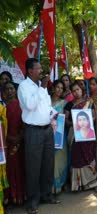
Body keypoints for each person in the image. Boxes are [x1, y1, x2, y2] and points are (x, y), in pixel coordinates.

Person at [17, 58, 60, 214]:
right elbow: (30, 105)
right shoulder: (24, 87)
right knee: (33, 167)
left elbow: (46, 107)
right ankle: (32, 201)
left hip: (47, 129)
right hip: (33, 131)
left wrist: (53, 115)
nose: (41, 71)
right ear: (30, 71)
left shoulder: (41, 88)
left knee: (48, 164)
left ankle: (46, 195)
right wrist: (40, 87)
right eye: (38, 68)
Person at [64, 82, 97, 193]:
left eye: (78, 90)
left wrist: (87, 122)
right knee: (77, 158)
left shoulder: (88, 103)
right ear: (71, 92)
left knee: (88, 156)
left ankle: (92, 183)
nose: (76, 92)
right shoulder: (69, 105)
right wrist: (74, 124)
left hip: (87, 134)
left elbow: (94, 116)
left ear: (82, 90)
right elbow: (66, 120)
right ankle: (78, 184)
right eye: (73, 91)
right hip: (75, 136)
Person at [4, 81, 24, 206]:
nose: (10, 91)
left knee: (19, 168)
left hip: (19, 142)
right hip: (6, 143)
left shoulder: (20, 105)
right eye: (7, 89)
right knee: (9, 170)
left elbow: (25, 123)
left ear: (15, 91)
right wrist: (7, 138)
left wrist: (18, 138)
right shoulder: (2, 107)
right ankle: (10, 196)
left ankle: (20, 195)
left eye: (12, 88)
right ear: (3, 92)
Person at [51, 80, 68, 194]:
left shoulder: (64, 103)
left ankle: (59, 185)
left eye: (62, 88)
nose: (59, 90)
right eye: (57, 87)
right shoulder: (46, 101)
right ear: (53, 88)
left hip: (60, 135)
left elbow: (66, 120)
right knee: (50, 161)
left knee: (60, 160)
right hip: (48, 135)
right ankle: (51, 186)